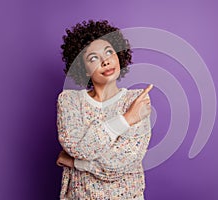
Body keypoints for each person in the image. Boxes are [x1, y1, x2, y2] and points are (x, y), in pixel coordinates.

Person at [55, 19, 153, 199]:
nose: (105, 61)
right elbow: (78, 147)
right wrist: (127, 119)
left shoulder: (135, 100)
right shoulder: (69, 101)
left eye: (109, 52)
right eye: (93, 58)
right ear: (83, 69)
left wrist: (75, 162)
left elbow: (123, 163)